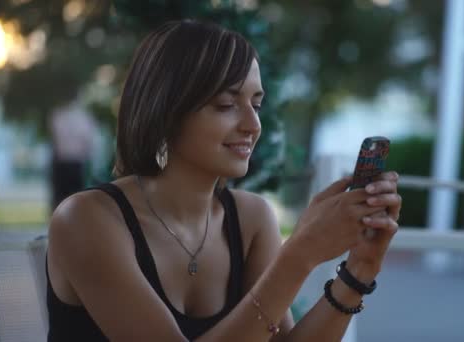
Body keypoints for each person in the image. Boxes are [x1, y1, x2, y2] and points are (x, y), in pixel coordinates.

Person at [46, 19, 402, 342]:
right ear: (168, 111)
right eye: (226, 104)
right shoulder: (87, 219)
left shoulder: (250, 219)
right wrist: (299, 254)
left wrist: (358, 271)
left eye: (256, 105)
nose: (252, 125)